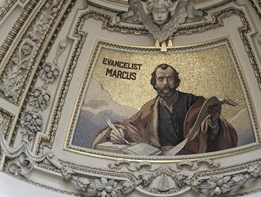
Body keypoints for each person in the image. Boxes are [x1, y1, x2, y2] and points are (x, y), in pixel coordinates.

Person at [92, 64, 238, 154]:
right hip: (159, 157)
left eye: (170, 78)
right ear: (154, 83)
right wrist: (120, 133)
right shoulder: (150, 107)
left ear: (176, 82)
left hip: (189, 158)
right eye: (161, 79)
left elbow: (214, 135)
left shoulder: (194, 102)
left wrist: (214, 123)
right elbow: (132, 125)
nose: (166, 83)